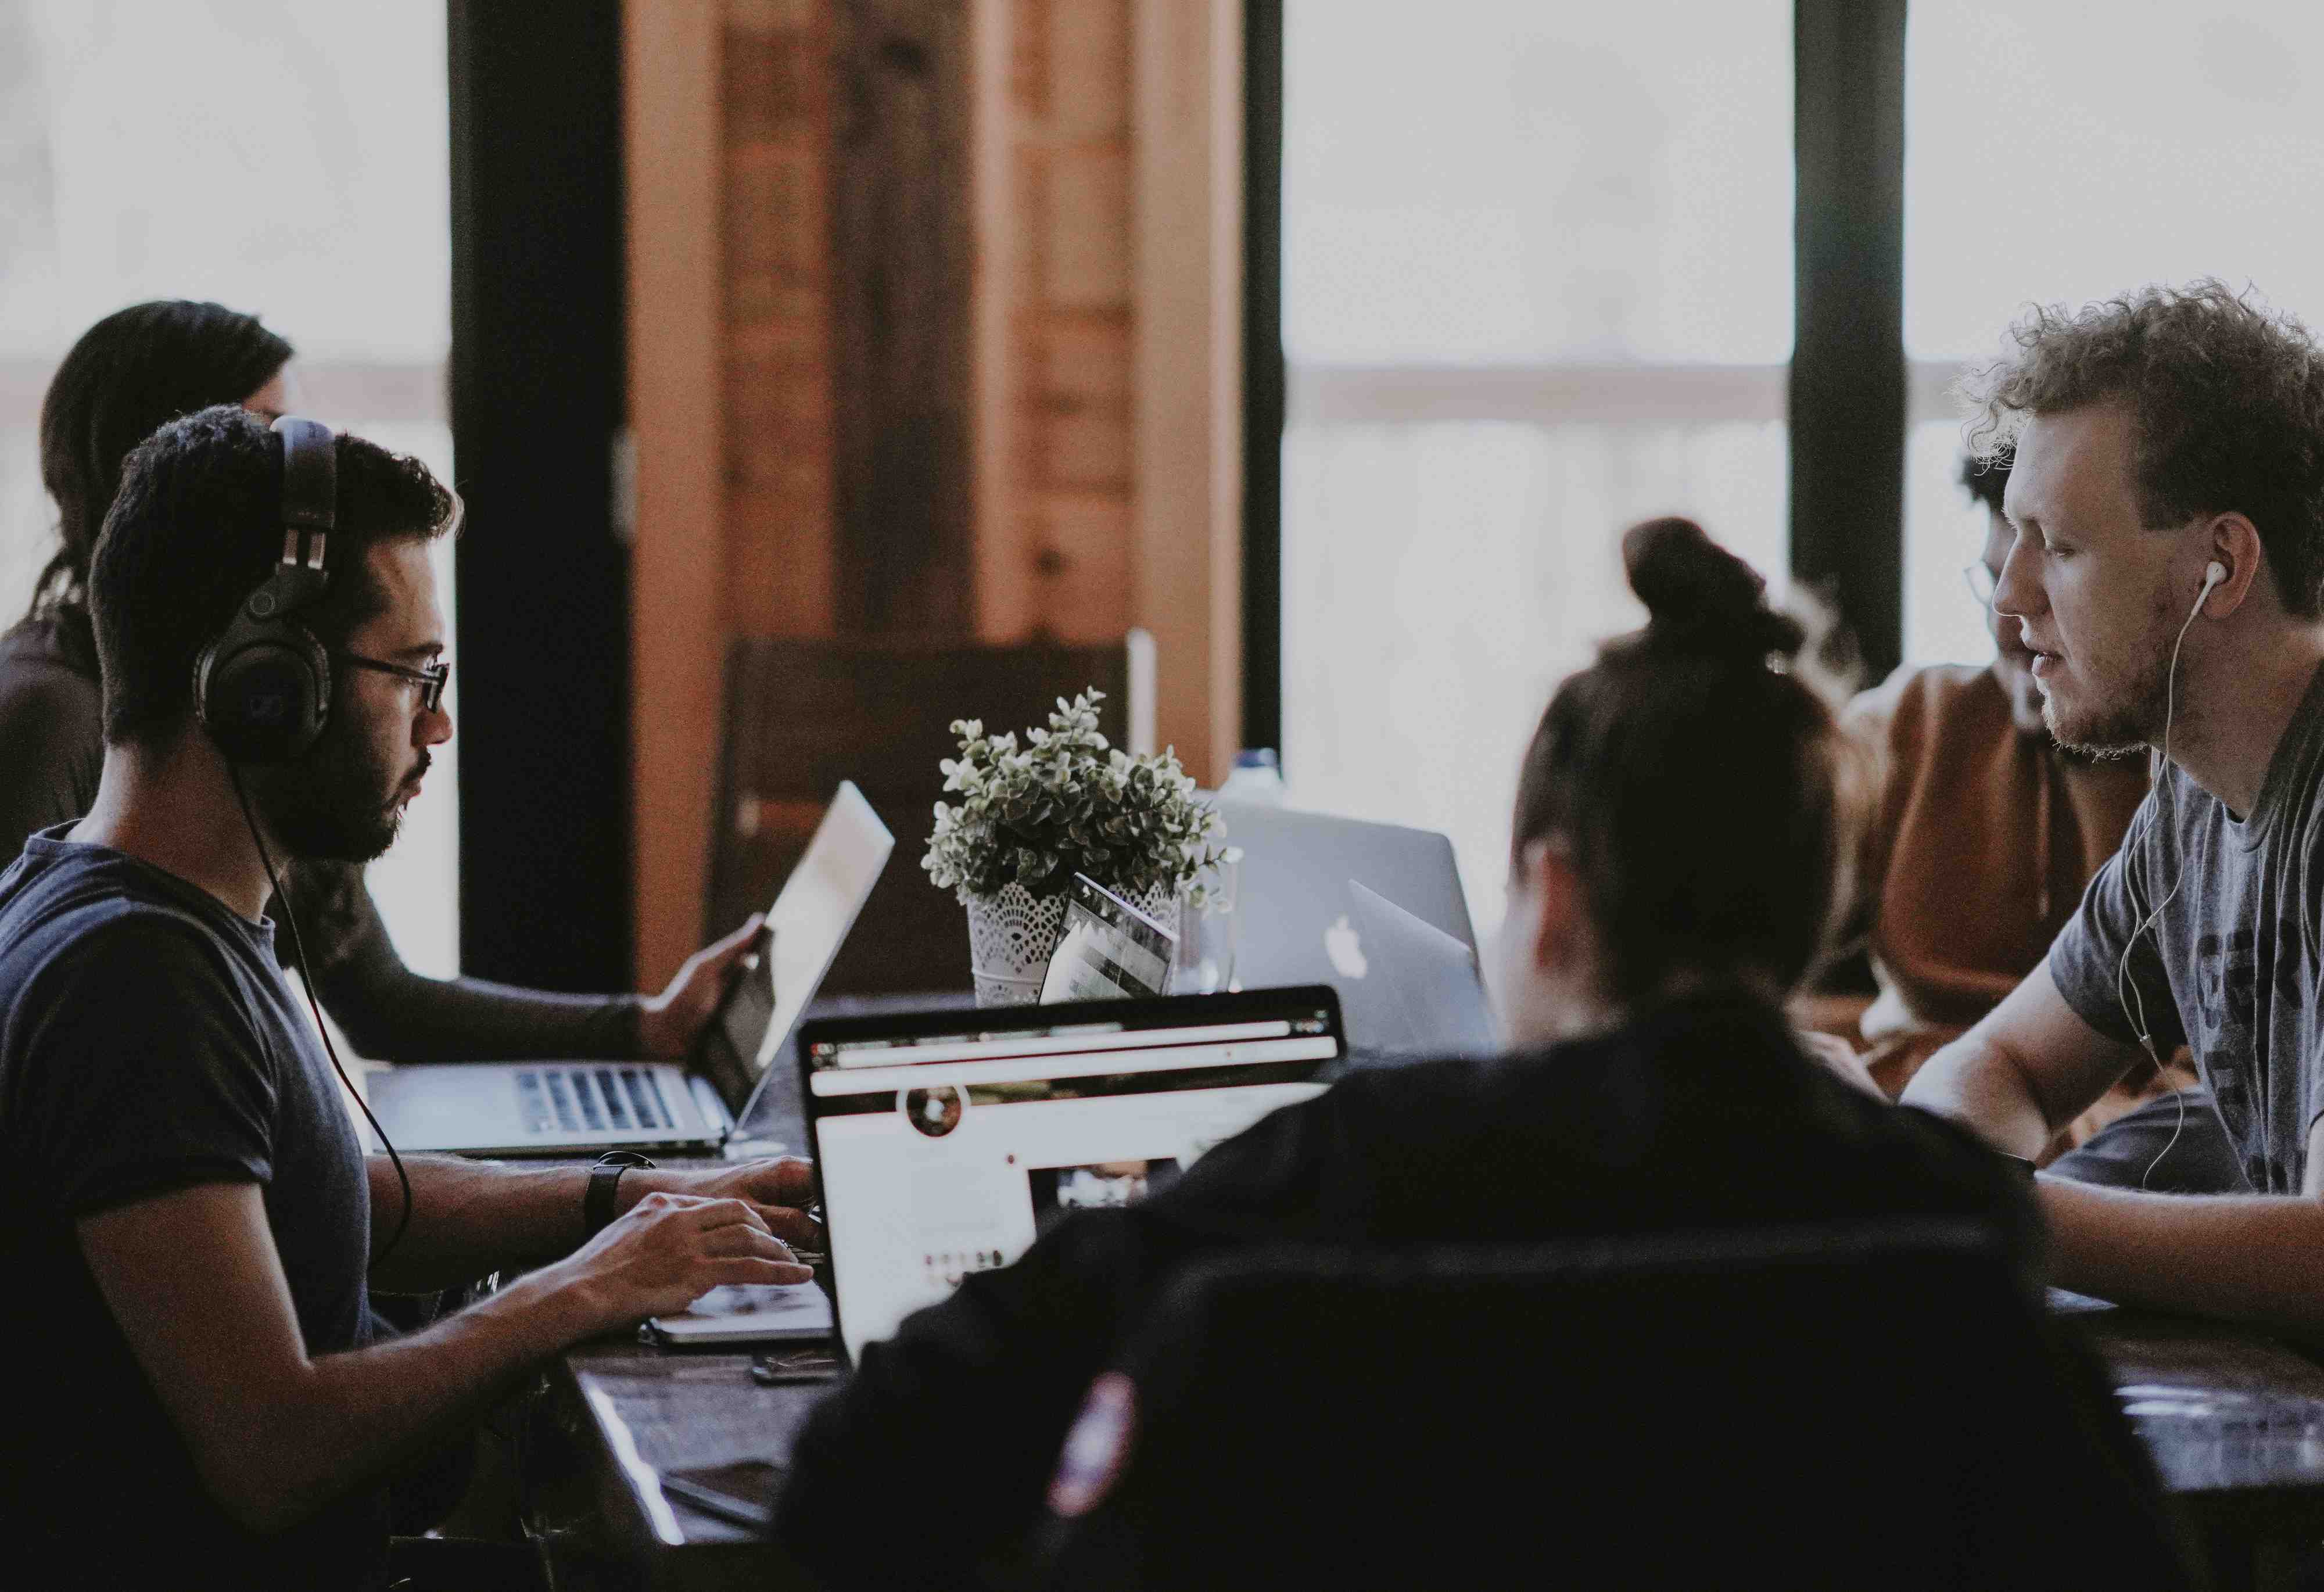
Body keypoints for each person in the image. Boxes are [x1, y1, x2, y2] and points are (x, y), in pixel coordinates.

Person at [774, 518, 2037, 1586]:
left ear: (1548, 899)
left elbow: (858, 1461)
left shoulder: (1332, 1174)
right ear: (1817, 904)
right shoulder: (1956, 1223)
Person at [0, 406, 818, 1588]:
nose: (437, 723)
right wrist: (589, 1286)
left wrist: (643, 1195)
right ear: (266, 687)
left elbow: (339, 1196)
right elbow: (271, 1446)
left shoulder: (119, 899)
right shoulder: (135, 982)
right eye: (416, 673)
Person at [1, 299, 752, 1065]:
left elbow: (384, 1001)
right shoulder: (51, 715)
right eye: (267, 439)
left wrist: (645, 1028)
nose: (307, 489)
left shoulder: (284, 706)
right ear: (161, 464)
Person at [1901, 281, 2324, 1331]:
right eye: (2014, 541)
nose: (2010, 601)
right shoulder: (2192, 799)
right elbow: (1995, 1062)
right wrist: (1955, 1179)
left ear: (2220, 566)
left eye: (2064, 548)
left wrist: (1991, 1212)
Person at [1833, 453, 2241, 1193]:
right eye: (1992, 578)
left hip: (2124, 1148)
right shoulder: (1911, 727)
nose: (2009, 618)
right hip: (1947, 1115)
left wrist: (1979, 1203)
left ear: (2215, 571)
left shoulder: (2206, 783)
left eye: (2059, 567)